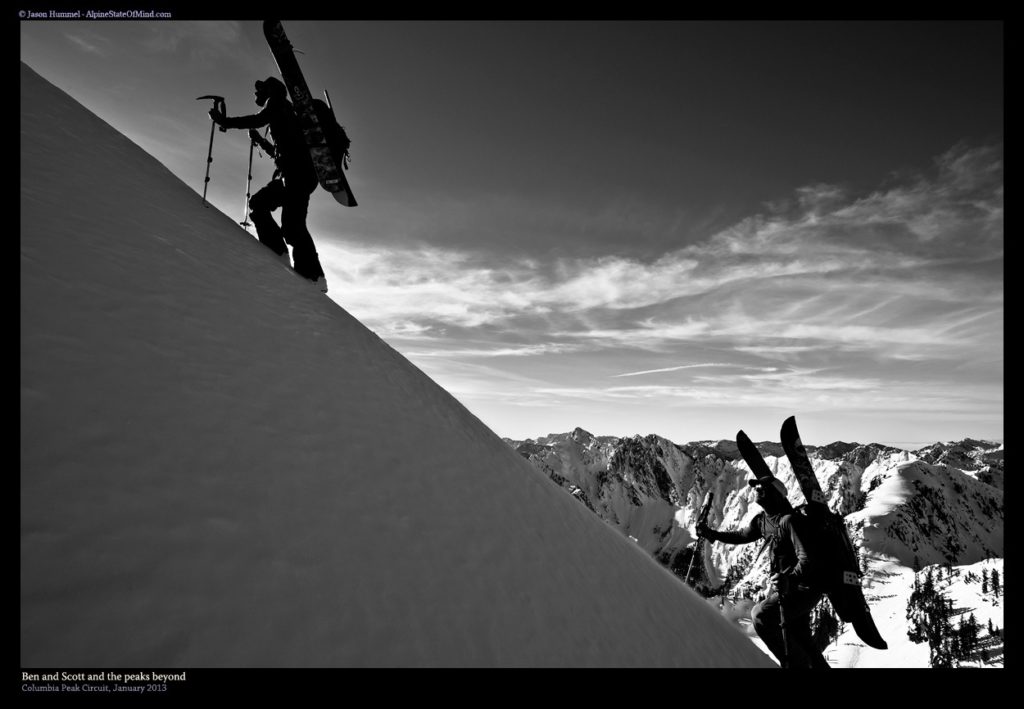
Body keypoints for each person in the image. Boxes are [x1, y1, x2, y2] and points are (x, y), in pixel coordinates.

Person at [696, 476, 830, 669]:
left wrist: (789, 579)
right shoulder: (763, 521)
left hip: (805, 587)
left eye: (762, 488)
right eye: (756, 487)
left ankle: (796, 666)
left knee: (761, 616)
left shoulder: (790, 521)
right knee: (802, 639)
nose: (756, 490)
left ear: (775, 494)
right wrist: (712, 534)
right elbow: (742, 535)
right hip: (788, 588)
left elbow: (807, 559)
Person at [209, 76, 327, 293]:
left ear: (269, 90)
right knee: (261, 205)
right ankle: (285, 258)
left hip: (296, 176)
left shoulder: (277, 102)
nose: (255, 95)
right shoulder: (288, 112)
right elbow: (282, 152)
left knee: (292, 226)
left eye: (258, 91)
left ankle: (311, 274)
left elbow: (257, 120)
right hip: (296, 175)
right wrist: (262, 141)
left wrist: (224, 121)